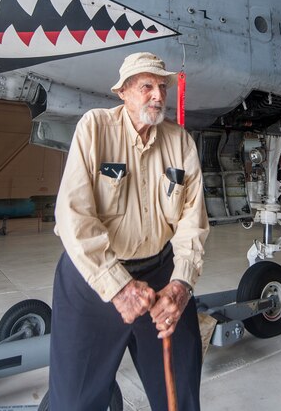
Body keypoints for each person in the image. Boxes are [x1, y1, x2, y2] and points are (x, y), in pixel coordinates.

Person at [48, 52, 210, 411]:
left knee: (179, 394)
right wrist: (117, 286)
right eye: (147, 86)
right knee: (75, 401)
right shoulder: (95, 127)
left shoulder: (179, 141)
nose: (157, 95)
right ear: (122, 92)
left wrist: (182, 284)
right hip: (94, 277)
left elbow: (192, 220)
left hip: (160, 273)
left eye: (162, 87)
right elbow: (72, 215)